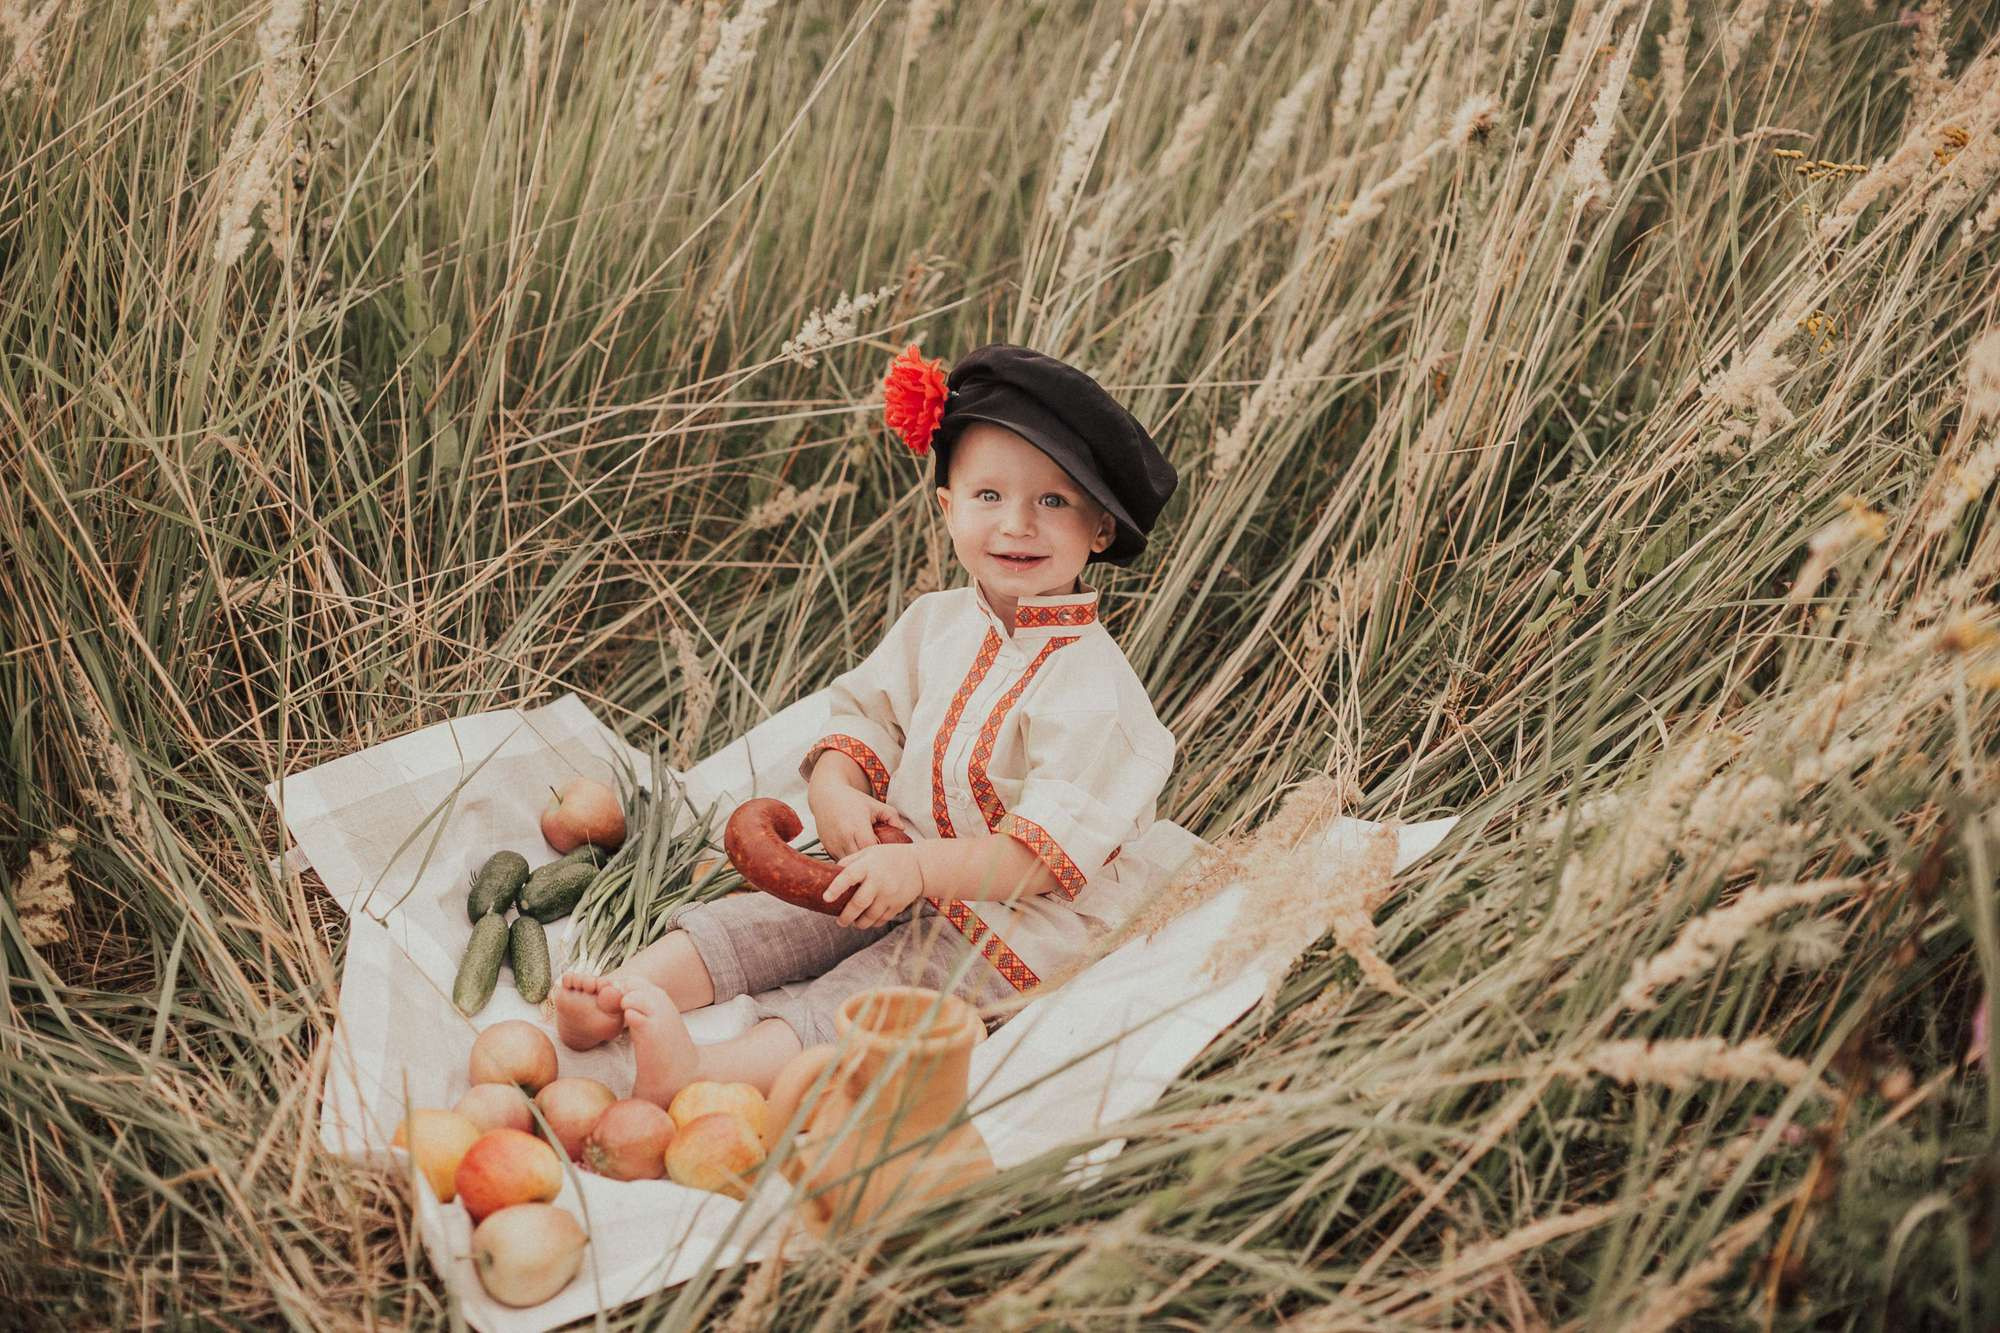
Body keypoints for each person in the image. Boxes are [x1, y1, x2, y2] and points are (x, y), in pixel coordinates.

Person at [552, 342, 1182, 1107]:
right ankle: (622, 991)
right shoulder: (935, 624)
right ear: (947, 507)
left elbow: (1037, 862)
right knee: (774, 914)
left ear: (1101, 529)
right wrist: (837, 789)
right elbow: (869, 716)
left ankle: (707, 1072)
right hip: (893, 856)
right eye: (988, 494)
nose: (1017, 523)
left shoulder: (1094, 692)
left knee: (886, 987)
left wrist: (919, 872)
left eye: (1053, 501)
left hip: (1012, 923)